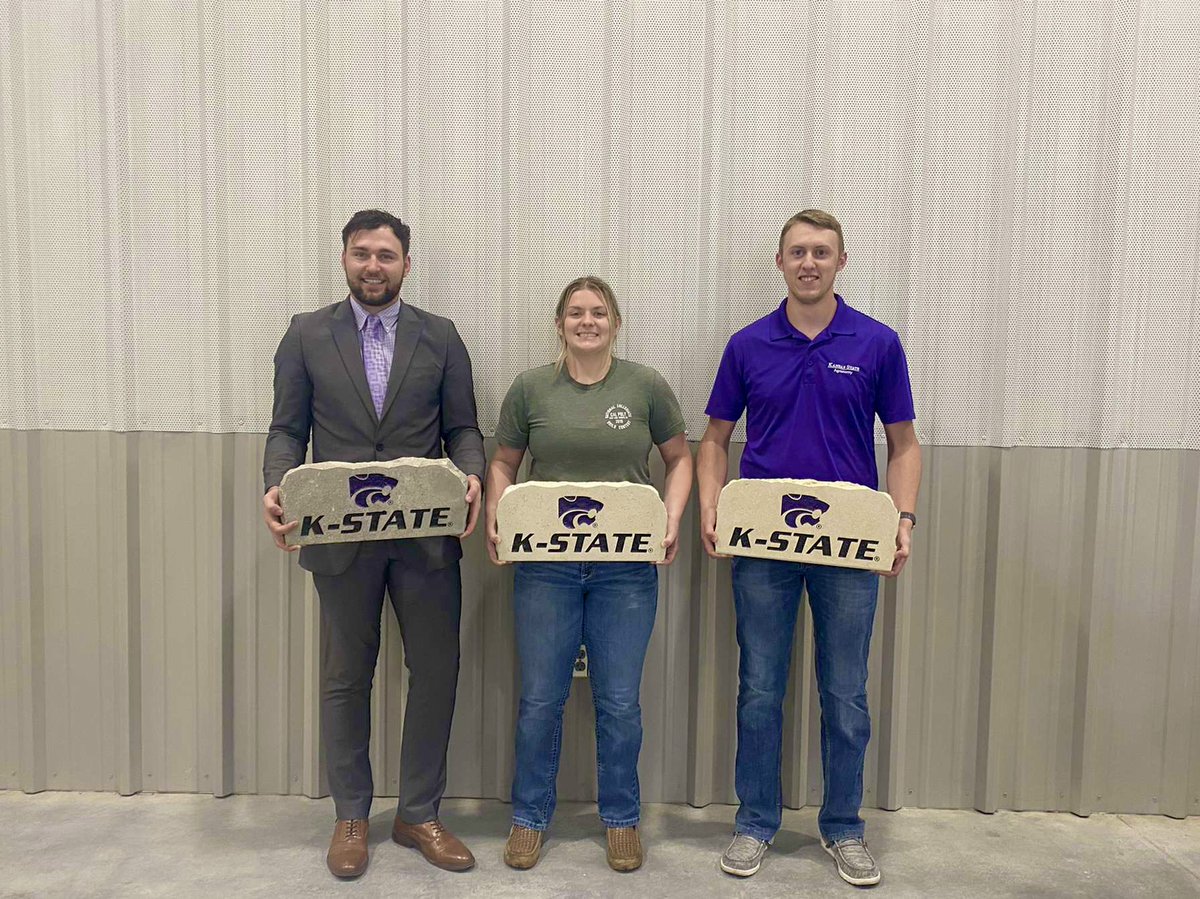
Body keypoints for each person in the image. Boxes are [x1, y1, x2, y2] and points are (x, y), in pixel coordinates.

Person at [697, 210, 921, 887]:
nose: (809, 263)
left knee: (845, 693)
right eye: (797, 251)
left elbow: (904, 444)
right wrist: (712, 504)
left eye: (822, 252)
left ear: (841, 261)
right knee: (759, 689)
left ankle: (844, 826)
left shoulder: (878, 343)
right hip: (763, 544)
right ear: (780, 262)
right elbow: (714, 440)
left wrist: (903, 518)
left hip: (849, 546)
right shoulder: (747, 344)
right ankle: (754, 822)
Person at [261, 209, 485, 878]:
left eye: (386, 255)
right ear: (344, 259)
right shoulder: (306, 334)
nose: (373, 266)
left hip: (425, 540)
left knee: (436, 673)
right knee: (345, 677)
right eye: (362, 253)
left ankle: (419, 813)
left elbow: (463, 429)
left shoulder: (441, 336)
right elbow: (286, 429)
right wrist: (276, 484)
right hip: (340, 540)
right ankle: (351, 816)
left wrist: (472, 475)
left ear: (406, 264)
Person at [485, 276, 693, 872]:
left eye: (598, 312)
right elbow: (503, 464)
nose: (587, 322)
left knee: (620, 702)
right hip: (545, 567)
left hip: (625, 569)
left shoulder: (645, 386)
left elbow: (680, 459)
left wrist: (670, 518)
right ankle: (529, 818)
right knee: (540, 700)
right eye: (576, 313)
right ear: (560, 324)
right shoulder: (530, 389)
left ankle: (621, 820)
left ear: (615, 322)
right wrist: (499, 518)